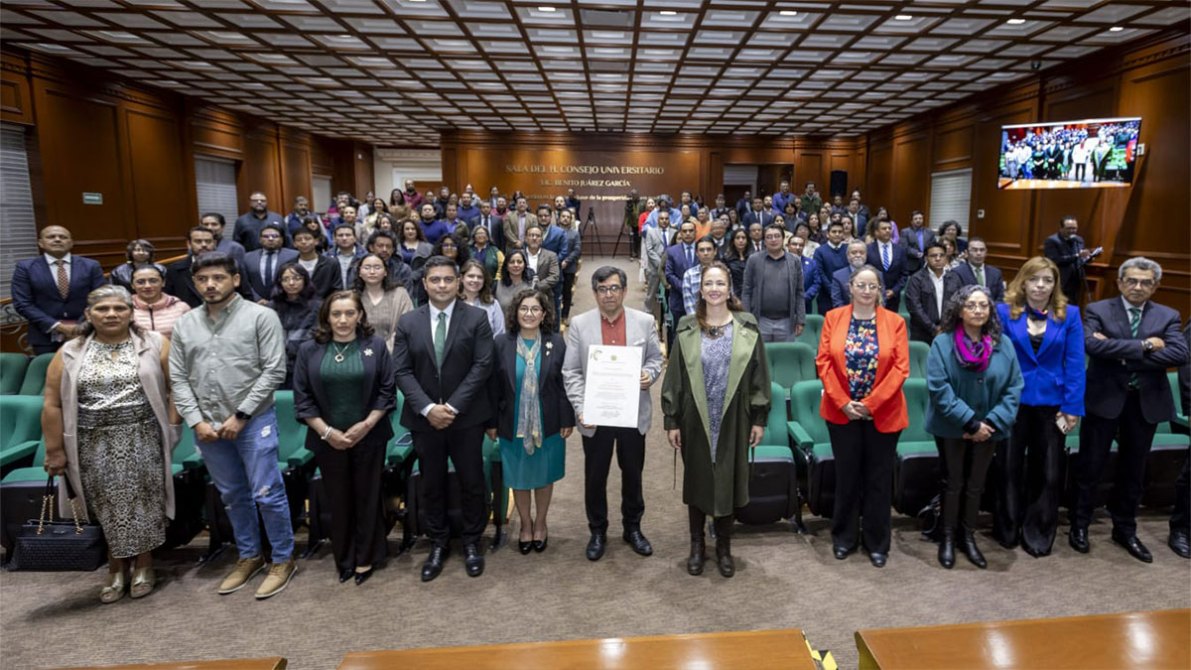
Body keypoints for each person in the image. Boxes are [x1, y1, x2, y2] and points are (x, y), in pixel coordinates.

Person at [168, 253, 296, 599]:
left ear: (235, 280)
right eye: (203, 279)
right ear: (195, 283)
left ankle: (283, 558)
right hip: (207, 426)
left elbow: (274, 371)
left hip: (253, 422)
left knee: (266, 493)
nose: (210, 285)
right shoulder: (185, 323)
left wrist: (240, 416)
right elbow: (178, 377)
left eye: (218, 278)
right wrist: (195, 420)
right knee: (233, 496)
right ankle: (249, 555)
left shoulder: (261, 316)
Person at [42, 286, 179, 603]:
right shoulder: (70, 351)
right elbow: (52, 404)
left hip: (142, 436)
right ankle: (116, 567)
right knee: (104, 504)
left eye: (119, 308)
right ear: (89, 315)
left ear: (131, 312)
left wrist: (172, 427)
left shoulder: (155, 343)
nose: (112, 314)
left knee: (144, 502)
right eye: (103, 309)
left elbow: (176, 389)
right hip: (91, 442)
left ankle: (145, 564)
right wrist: (54, 450)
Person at [1071, 257, 1187, 562]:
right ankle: (1079, 525)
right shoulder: (1098, 309)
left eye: (1146, 282)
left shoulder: (1168, 315)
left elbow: (1179, 353)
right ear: (1120, 282)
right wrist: (1146, 346)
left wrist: (1117, 349)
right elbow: (1091, 346)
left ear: (1155, 286)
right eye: (1132, 281)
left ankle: (1124, 529)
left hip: (1145, 403)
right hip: (1104, 399)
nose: (1138, 287)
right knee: (1090, 466)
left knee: (1134, 471)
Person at [662, 263, 770, 578]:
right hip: (695, 415)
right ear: (700, 289)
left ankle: (724, 547)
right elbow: (675, 378)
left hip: (735, 416)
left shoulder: (747, 326)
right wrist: (672, 420)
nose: (714, 289)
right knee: (697, 478)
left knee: (729, 479)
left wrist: (759, 418)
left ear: (729, 288)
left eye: (720, 283)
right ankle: (697, 546)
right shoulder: (685, 326)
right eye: (708, 283)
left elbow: (758, 376)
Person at [393, 257, 496, 581]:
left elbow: (482, 366)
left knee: (472, 482)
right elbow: (402, 370)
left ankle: (470, 542)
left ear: (458, 283)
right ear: (424, 284)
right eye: (434, 279)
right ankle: (437, 542)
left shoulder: (477, 318)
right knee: (432, 483)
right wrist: (428, 408)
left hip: (465, 418)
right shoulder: (409, 322)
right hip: (425, 421)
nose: (441, 285)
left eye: (447, 280)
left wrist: (451, 407)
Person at [562, 266, 665, 561]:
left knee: (632, 473)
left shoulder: (644, 322)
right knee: (596, 476)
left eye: (614, 288)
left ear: (624, 290)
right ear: (594, 293)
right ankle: (597, 530)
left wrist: (649, 374)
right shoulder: (580, 324)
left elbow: (656, 359)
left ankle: (633, 527)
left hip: (632, 413)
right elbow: (571, 371)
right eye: (603, 289)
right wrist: (581, 409)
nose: (609, 294)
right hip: (595, 415)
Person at [293, 291, 395, 585]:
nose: (343, 320)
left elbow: (387, 391)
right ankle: (345, 557)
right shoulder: (309, 350)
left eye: (349, 313)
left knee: (367, 496)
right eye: (336, 314)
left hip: (370, 436)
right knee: (338, 499)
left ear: (360, 315)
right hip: (327, 440)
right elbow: (303, 398)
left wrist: (366, 425)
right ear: (326, 316)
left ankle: (366, 557)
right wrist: (327, 432)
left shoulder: (374, 345)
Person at [816, 265, 910, 568]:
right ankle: (843, 537)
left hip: (883, 413)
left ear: (879, 290)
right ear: (850, 287)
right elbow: (824, 363)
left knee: (879, 480)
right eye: (861, 285)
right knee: (847, 477)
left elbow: (900, 368)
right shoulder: (833, 318)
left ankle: (877, 541)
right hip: (841, 413)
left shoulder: (895, 322)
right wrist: (843, 402)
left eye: (873, 286)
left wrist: (870, 404)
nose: (867, 291)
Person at [925, 286, 1023, 569]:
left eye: (983, 305)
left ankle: (967, 537)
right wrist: (969, 422)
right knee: (953, 483)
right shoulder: (942, 343)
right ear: (959, 309)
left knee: (975, 485)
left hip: (990, 428)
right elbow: (939, 388)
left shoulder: (1002, 343)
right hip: (951, 426)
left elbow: (1014, 387)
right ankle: (947, 537)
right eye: (971, 305)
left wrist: (989, 423)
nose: (978, 310)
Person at [994, 257, 1085, 557]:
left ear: (1055, 284)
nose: (1041, 286)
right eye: (1035, 279)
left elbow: (1074, 363)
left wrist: (1072, 407)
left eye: (1047, 280)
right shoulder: (1004, 311)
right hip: (1011, 402)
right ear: (1023, 281)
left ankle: (1038, 532)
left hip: (1052, 404)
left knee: (1048, 471)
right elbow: (995, 358)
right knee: (1008, 466)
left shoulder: (1069, 315)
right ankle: (1007, 528)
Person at [490, 289, 574, 555]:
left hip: (548, 421)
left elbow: (564, 385)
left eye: (535, 309)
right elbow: (492, 387)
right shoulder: (501, 343)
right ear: (515, 312)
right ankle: (525, 525)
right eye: (524, 309)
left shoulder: (556, 342)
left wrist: (566, 417)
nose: (529, 314)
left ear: (544, 314)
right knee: (519, 476)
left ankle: (541, 523)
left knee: (544, 475)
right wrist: (491, 421)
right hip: (511, 422)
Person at [11, 226, 107, 355]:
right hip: (44, 335)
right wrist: (56, 326)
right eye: (51, 237)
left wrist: (81, 325)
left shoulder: (91, 265)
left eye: (63, 237)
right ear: (41, 243)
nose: (57, 240)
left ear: (71, 243)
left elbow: (100, 298)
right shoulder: (25, 267)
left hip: (87, 332)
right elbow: (22, 303)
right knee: (50, 373)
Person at [741, 225, 805, 343]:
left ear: (783, 239)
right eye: (769, 237)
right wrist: (747, 319)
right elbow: (746, 291)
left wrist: (800, 320)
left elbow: (799, 292)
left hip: (787, 321)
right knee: (761, 359)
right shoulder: (754, 260)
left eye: (777, 236)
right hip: (760, 320)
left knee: (784, 358)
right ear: (764, 241)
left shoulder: (794, 261)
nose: (773, 240)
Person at [267, 263, 321, 390]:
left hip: (305, 364)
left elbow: (317, 335)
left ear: (305, 280)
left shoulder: (318, 307)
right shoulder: (270, 307)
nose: (291, 283)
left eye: (296, 278)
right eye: (285, 279)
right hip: (276, 365)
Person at [353, 253, 413, 352]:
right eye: (367, 267)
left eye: (377, 267)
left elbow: (407, 327)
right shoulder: (352, 297)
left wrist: (383, 351)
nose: (372, 272)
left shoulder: (400, 294)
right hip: (358, 353)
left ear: (385, 272)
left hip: (394, 353)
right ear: (359, 272)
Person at [904, 243, 962, 343]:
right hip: (922, 332)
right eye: (933, 256)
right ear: (926, 258)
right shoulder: (916, 279)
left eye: (941, 255)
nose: (938, 259)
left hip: (948, 330)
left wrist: (946, 326)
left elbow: (959, 304)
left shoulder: (954, 278)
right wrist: (933, 328)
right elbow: (914, 307)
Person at [130, 265, 191, 340]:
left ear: (163, 282)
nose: (147, 286)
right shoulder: (124, 308)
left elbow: (190, 337)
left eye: (153, 281)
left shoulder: (181, 308)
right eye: (140, 282)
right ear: (132, 285)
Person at [243, 223, 298, 302]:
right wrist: (257, 299)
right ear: (260, 240)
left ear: (282, 239)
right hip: (257, 303)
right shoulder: (247, 257)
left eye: (275, 236)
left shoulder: (294, 255)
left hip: (286, 301)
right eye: (266, 236)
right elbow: (245, 282)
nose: (271, 239)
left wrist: (274, 301)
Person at [1043, 216, 1091, 306]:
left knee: (1072, 305)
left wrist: (1087, 258)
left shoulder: (1079, 240)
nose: (1072, 231)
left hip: (1076, 279)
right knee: (1057, 305)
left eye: (1075, 228)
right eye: (1069, 228)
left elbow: (1080, 258)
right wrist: (1076, 256)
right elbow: (1054, 260)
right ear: (1061, 228)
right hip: (1060, 279)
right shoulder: (1052, 241)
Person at [866, 219, 909, 311]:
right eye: (884, 228)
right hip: (872, 296)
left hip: (893, 298)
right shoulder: (868, 250)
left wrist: (894, 291)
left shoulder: (900, 250)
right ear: (876, 232)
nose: (888, 230)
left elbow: (904, 274)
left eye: (889, 228)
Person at [292, 227, 342, 299]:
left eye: (307, 239)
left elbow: (336, 289)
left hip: (324, 306)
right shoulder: (290, 265)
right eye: (299, 240)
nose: (303, 242)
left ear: (316, 241)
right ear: (294, 244)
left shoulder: (331, 263)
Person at [950, 238, 1004, 303]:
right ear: (967, 253)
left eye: (982, 250)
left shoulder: (996, 273)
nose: (979, 253)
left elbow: (1000, 297)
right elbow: (955, 298)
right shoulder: (957, 272)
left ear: (986, 252)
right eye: (974, 250)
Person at [459, 259, 504, 338]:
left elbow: (500, 334)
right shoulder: (452, 302)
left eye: (480, 277)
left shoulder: (492, 304)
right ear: (462, 278)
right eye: (471, 276)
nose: (475, 280)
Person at [813, 221, 849, 316]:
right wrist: (833, 290)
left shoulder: (849, 249)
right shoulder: (819, 251)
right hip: (826, 297)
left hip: (847, 295)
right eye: (834, 231)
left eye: (840, 232)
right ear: (828, 234)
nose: (837, 234)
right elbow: (819, 272)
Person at [681, 236, 720, 315]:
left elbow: (729, 299)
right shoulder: (689, 275)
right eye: (702, 250)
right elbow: (689, 306)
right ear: (697, 253)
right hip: (698, 320)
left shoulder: (724, 273)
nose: (705, 253)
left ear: (715, 251)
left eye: (709, 249)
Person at [558, 209, 582, 324]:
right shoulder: (554, 231)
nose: (565, 218)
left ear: (571, 219)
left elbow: (577, 250)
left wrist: (567, 261)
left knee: (566, 293)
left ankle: (565, 316)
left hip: (569, 267)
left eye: (568, 217)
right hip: (554, 267)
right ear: (559, 218)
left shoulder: (575, 233)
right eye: (563, 216)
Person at [830, 240, 870, 308]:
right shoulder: (837, 276)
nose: (858, 255)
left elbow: (881, 300)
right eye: (854, 253)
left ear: (866, 255)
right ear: (848, 255)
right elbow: (837, 302)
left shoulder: (877, 274)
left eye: (861, 252)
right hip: (846, 316)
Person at [495, 249, 535, 314]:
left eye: (519, 262)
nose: (516, 265)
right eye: (512, 262)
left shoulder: (532, 285)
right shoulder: (497, 285)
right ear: (506, 266)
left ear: (524, 265)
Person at [901, 211, 935, 275]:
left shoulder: (929, 232)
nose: (918, 220)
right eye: (916, 219)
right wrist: (917, 253)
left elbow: (933, 245)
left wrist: (927, 255)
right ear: (911, 221)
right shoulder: (905, 232)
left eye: (920, 218)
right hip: (911, 264)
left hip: (927, 262)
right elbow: (904, 247)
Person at [720, 228, 751, 300]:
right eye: (737, 238)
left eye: (743, 238)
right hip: (734, 295)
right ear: (733, 241)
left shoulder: (753, 257)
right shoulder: (726, 259)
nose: (741, 240)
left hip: (751, 294)